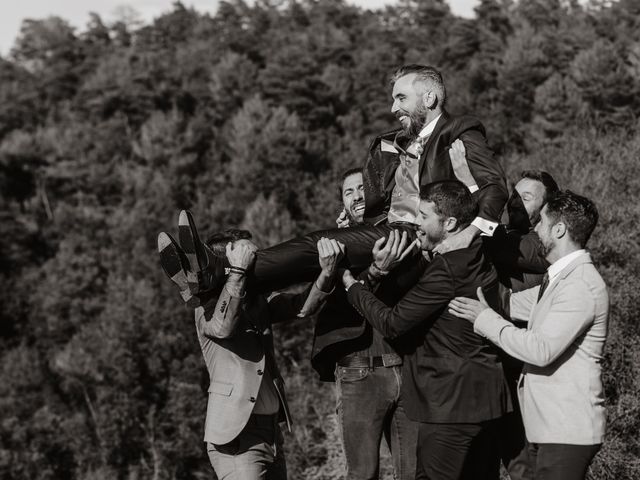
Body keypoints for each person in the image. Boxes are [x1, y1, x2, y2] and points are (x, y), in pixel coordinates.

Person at [187, 64, 508, 294]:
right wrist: (358, 214)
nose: (393, 107)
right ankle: (218, 284)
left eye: (401, 98)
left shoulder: (459, 131)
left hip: (422, 236)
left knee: (318, 244)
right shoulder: (392, 144)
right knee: (318, 264)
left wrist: (468, 235)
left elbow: (495, 186)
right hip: (387, 231)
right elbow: (382, 196)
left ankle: (216, 268)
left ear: (429, 99)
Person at [342, 180, 512, 480]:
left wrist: (354, 287)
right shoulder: (476, 252)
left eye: (423, 216)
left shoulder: (447, 267)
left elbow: (393, 324)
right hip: (487, 401)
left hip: (451, 406)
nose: (415, 223)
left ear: (449, 223)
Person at [158, 220, 344, 480]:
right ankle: (192, 272)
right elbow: (223, 329)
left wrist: (326, 274)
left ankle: (195, 268)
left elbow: (301, 307)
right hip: (237, 437)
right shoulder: (205, 309)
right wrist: (237, 273)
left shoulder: (258, 301)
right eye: (249, 257)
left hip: (271, 433)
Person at [448, 191, 607, 480]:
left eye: (542, 223)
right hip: (551, 426)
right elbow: (509, 303)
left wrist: (484, 319)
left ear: (559, 230)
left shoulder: (579, 285)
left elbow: (541, 350)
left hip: (567, 428)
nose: (535, 229)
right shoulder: (560, 279)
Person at [311, 168, 419, 480]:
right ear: (341, 207)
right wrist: (367, 270)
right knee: (362, 474)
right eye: (349, 192)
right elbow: (331, 306)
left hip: (408, 367)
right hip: (359, 373)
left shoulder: (403, 236)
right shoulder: (330, 251)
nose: (358, 196)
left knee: (413, 473)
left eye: (363, 188)